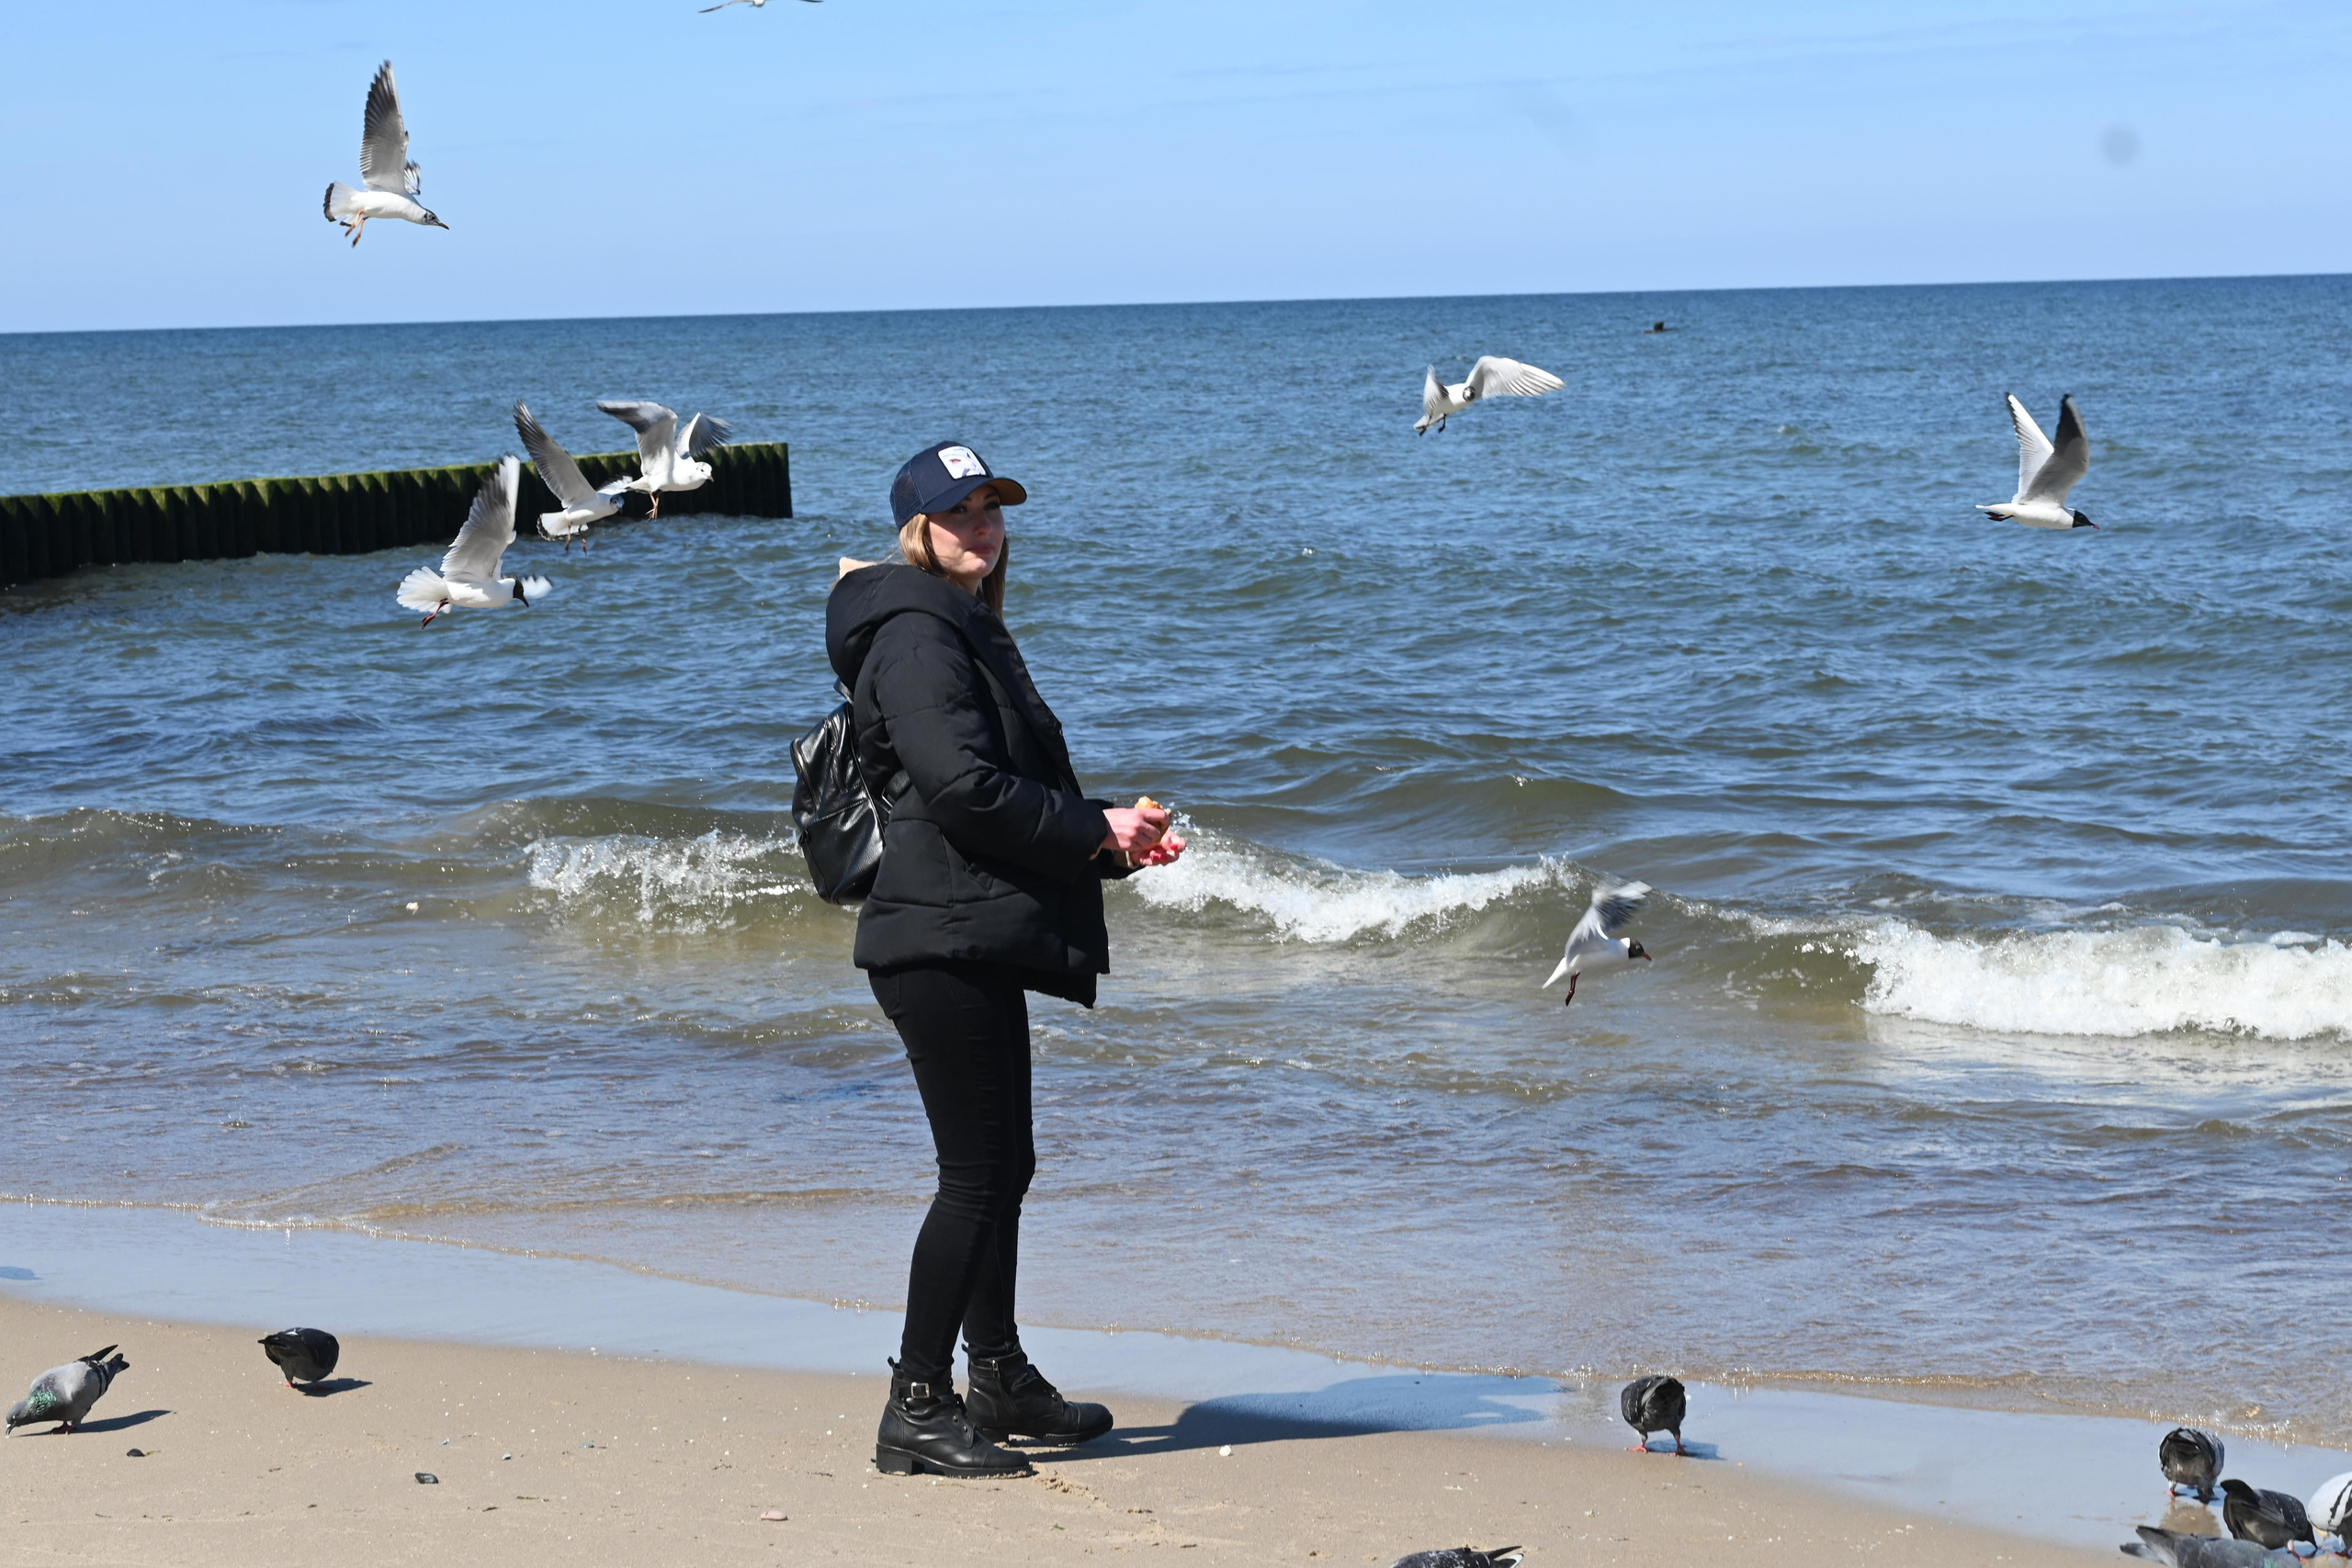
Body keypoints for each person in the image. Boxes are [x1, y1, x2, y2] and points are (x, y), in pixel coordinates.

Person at [825, 439, 1185, 1480]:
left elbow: (986, 798)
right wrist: (1091, 824)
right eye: (959, 513)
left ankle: (999, 1378)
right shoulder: (917, 636)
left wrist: (1108, 842)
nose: (981, 526)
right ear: (916, 529)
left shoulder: (956, 626)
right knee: (976, 1177)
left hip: (962, 927)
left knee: (1000, 1169)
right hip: (936, 935)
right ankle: (917, 1407)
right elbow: (963, 792)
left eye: (992, 509)